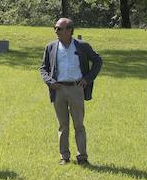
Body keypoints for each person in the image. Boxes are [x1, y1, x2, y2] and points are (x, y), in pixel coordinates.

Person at [38, 17, 103, 165]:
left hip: (76, 89)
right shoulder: (51, 47)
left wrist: (87, 79)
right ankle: (64, 157)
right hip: (58, 89)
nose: (56, 31)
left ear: (70, 30)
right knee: (63, 125)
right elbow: (43, 68)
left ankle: (82, 157)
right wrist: (50, 82)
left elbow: (98, 61)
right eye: (55, 28)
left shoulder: (82, 46)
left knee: (79, 125)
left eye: (59, 28)